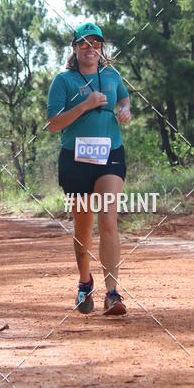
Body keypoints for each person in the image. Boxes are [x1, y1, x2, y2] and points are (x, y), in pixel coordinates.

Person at [47, 21, 131, 315]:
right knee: (83, 227)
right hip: (75, 160)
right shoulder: (63, 81)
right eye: (84, 43)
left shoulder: (111, 74)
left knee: (108, 218)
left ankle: (112, 293)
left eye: (95, 43)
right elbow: (52, 124)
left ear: (101, 48)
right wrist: (84, 105)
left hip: (110, 155)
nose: (90, 48)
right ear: (75, 48)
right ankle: (85, 282)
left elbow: (123, 95)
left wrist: (125, 109)